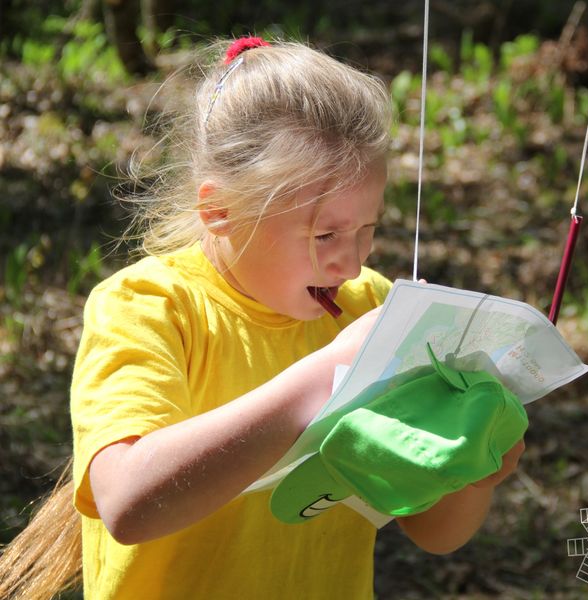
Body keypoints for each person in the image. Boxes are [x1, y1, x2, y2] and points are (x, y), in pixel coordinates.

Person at [0, 37, 525, 599]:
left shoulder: (368, 307)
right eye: (325, 235)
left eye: (367, 230)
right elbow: (128, 502)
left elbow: (435, 532)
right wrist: (326, 375)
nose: (351, 263)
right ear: (219, 210)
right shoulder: (148, 306)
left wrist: (475, 465)